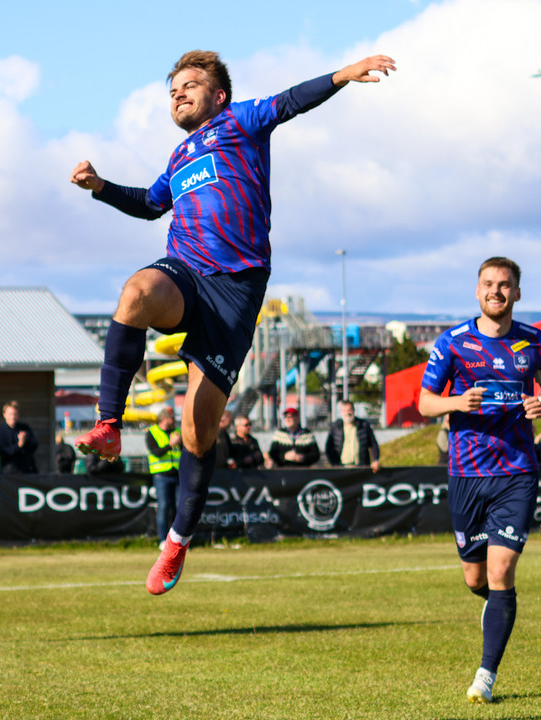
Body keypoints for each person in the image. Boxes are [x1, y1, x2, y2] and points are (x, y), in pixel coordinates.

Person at [69, 49, 396, 595]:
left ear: (218, 95)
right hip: (185, 271)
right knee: (135, 292)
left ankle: (177, 540)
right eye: (172, 88)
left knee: (197, 431)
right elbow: (150, 204)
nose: (178, 92)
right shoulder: (179, 157)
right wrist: (101, 187)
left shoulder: (241, 120)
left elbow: (292, 101)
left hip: (235, 292)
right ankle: (109, 425)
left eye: (190, 84)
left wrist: (345, 73)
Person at [417, 257, 541, 704]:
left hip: (517, 471)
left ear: (517, 293)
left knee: (501, 572)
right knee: (475, 577)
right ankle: (496, 605)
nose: (496, 291)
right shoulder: (453, 343)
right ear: (477, 290)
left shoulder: (536, 342)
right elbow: (424, 402)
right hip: (466, 473)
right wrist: (456, 402)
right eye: (488, 284)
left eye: (504, 285)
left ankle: (485, 676)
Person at [146, 408, 182, 546]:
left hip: (177, 474)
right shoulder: (152, 432)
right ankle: (163, 540)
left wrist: (180, 443)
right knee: (164, 507)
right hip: (161, 475)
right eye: (171, 417)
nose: (174, 420)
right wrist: (170, 445)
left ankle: (178, 541)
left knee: (179, 508)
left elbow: (184, 451)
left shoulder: (177, 432)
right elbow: (156, 452)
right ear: (164, 419)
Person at [325, 400, 380, 473]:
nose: (347, 413)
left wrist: (375, 460)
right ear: (341, 412)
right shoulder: (336, 427)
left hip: (361, 467)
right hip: (342, 468)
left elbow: (373, 444)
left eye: (349, 410)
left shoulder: (363, 425)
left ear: (353, 410)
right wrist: (334, 464)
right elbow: (329, 447)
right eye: (344, 410)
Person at [0, 401, 39, 474]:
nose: (13, 417)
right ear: (4, 414)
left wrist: (25, 442)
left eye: (15, 414)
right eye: (10, 414)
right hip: (8, 472)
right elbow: (1, 452)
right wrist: (18, 446)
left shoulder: (24, 428)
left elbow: (33, 446)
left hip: (27, 471)